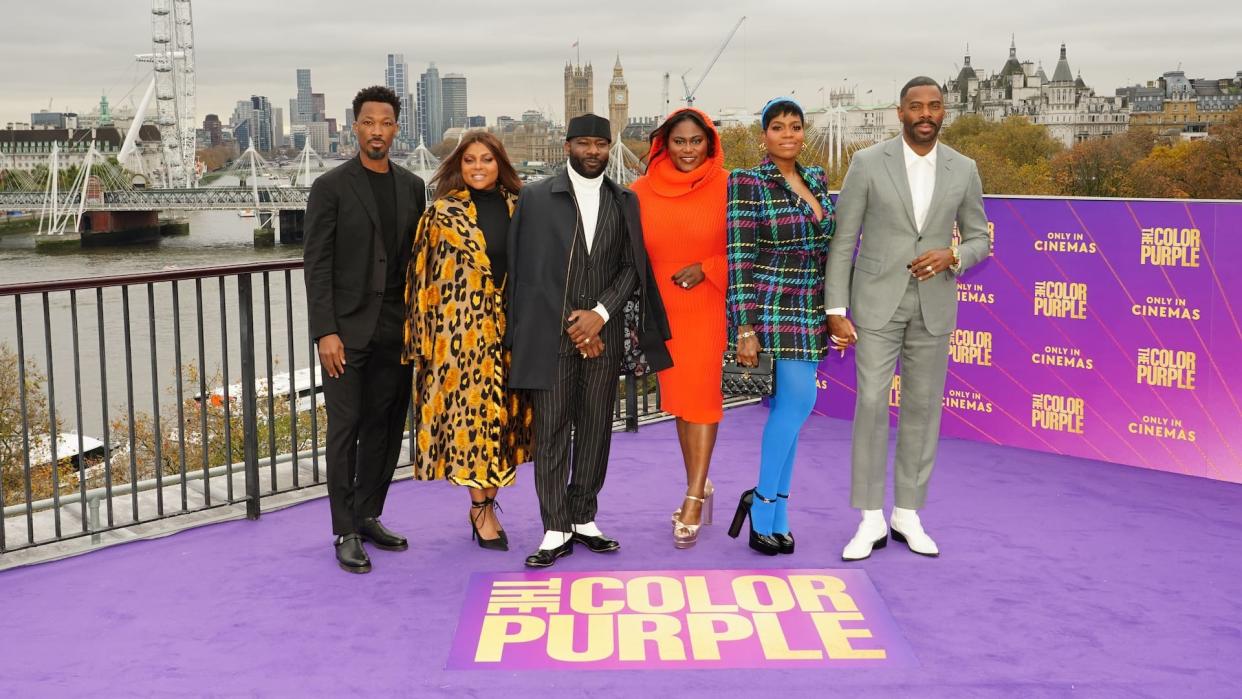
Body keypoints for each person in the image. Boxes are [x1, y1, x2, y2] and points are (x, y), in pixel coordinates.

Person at [827, 76, 991, 561]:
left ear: (944, 113)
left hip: (934, 303)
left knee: (923, 408)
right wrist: (836, 308)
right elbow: (843, 240)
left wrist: (954, 256)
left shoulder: (964, 168)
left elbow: (981, 237)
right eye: (915, 106)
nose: (925, 114)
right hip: (876, 302)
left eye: (934, 106)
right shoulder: (866, 162)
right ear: (899, 113)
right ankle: (870, 519)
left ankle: (908, 514)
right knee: (873, 404)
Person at [505, 113, 672, 568]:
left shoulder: (625, 200)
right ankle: (555, 527)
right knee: (553, 431)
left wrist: (597, 316)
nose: (593, 151)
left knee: (598, 427)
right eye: (584, 143)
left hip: (606, 331)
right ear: (568, 146)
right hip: (551, 336)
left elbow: (631, 268)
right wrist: (573, 325)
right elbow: (526, 274)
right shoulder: (536, 198)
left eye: (601, 144)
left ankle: (583, 517)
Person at [303, 85, 427, 574]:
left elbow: (416, 263)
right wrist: (324, 332)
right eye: (368, 122)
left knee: (386, 427)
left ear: (397, 128)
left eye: (386, 123)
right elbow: (317, 265)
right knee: (346, 429)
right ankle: (344, 529)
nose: (377, 131)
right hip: (346, 334)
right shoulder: (330, 187)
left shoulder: (412, 186)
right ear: (355, 127)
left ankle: (369, 514)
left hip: (396, 332)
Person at [402, 132, 534, 552]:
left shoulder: (522, 208)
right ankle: (481, 510)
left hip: (510, 334)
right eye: (470, 160)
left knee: (504, 426)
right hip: (457, 340)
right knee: (470, 427)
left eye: (487, 159)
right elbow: (419, 280)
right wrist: (421, 344)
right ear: (459, 166)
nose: (478, 167)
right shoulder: (441, 214)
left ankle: (488, 503)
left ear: (500, 164)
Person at [724, 97, 839, 556]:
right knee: (797, 404)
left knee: (792, 409)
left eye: (795, 126)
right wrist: (744, 327)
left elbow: (828, 249)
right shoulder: (747, 181)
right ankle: (763, 504)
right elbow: (739, 256)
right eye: (777, 127)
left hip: (809, 305)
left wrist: (834, 308)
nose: (787, 134)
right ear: (763, 136)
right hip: (772, 306)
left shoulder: (816, 178)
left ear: (803, 132)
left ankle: (776, 511)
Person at [630, 107, 728, 549]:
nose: (688, 150)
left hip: (706, 305)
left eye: (696, 141)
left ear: (709, 142)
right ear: (663, 144)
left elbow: (751, 249)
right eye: (679, 141)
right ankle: (701, 483)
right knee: (682, 402)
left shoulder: (731, 186)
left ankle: (692, 497)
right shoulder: (639, 192)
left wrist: (707, 267)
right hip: (662, 310)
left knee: (703, 398)